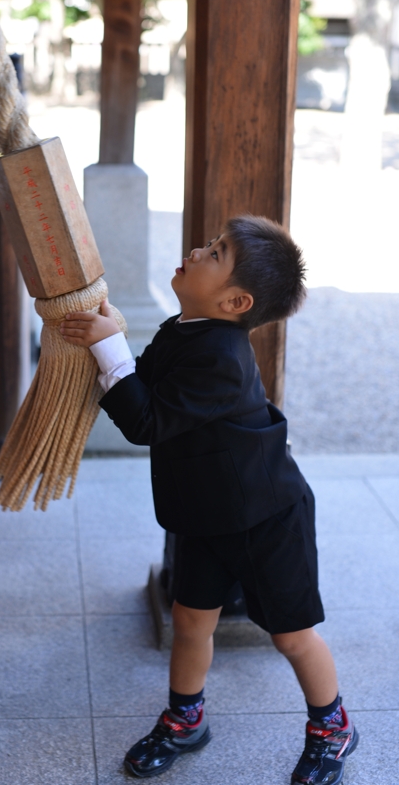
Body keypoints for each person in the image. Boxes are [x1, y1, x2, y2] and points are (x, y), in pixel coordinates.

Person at [60, 215, 358, 785]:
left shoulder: (223, 357)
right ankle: (185, 720)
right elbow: (141, 386)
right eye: (210, 244)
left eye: (215, 253)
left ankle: (332, 727)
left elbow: (147, 419)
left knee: (292, 634)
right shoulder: (183, 329)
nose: (197, 251)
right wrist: (105, 348)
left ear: (235, 301)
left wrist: (109, 350)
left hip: (267, 516)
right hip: (203, 514)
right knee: (191, 622)